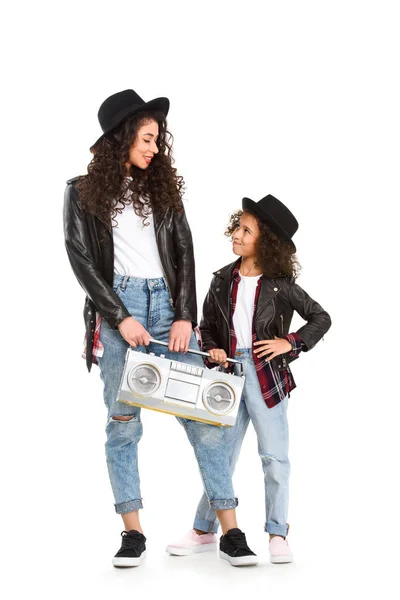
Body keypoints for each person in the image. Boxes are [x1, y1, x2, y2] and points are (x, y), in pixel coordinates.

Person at [63, 89, 257, 568]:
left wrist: (185, 316)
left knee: (205, 416)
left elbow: (185, 252)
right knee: (123, 423)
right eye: (147, 139)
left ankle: (230, 531)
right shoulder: (81, 191)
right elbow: (81, 259)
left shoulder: (162, 189)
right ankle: (132, 532)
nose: (154, 148)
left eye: (157, 140)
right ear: (122, 137)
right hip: (119, 309)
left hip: (168, 308)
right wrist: (119, 316)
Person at [166, 194, 331, 563]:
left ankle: (277, 533)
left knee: (274, 457)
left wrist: (288, 342)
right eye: (237, 227)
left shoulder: (281, 284)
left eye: (246, 230)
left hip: (265, 374)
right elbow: (206, 327)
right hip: (228, 376)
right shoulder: (223, 279)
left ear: (267, 241)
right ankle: (203, 530)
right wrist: (213, 350)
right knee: (219, 455)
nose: (236, 235)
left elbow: (320, 318)